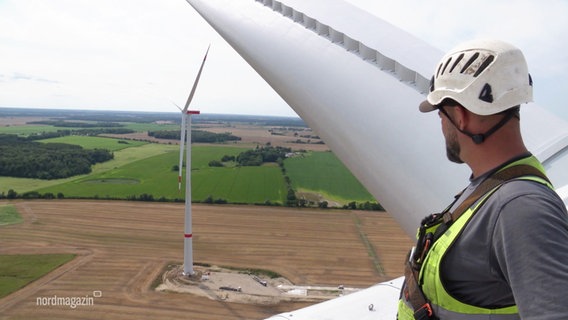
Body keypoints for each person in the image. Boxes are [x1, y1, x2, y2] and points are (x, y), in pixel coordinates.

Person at [397, 39, 568, 319]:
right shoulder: (493, 189)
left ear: (461, 116)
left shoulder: (520, 208)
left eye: (441, 114)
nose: (441, 125)